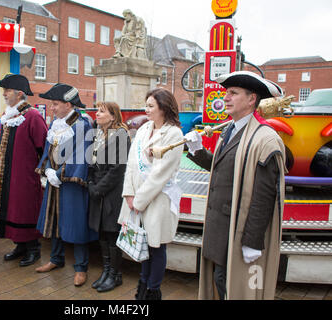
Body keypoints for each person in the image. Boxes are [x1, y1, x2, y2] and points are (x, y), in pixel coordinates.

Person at [184, 71, 287, 300]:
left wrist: (252, 241)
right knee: (221, 282)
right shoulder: (230, 130)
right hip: (221, 227)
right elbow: (224, 168)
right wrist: (197, 150)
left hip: (239, 231)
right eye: (226, 93)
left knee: (232, 287)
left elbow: (264, 196)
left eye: (233, 93)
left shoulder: (265, 139)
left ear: (252, 99)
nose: (226, 98)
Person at [118, 88, 184, 300]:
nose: (145, 110)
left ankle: (153, 291)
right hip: (136, 198)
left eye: (150, 106)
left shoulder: (174, 134)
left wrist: (139, 201)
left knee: (156, 246)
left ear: (163, 108)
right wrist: (129, 193)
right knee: (142, 243)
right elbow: (131, 162)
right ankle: (142, 287)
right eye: (145, 105)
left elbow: (160, 174)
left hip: (158, 199)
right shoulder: (145, 128)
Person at [35, 83, 97, 287]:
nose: (51, 108)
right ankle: (56, 259)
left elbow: (82, 156)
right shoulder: (56, 123)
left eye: (55, 104)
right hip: (54, 180)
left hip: (72, 183)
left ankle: (81, 267)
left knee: (76, 224)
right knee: (55, 221)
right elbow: (47, 149)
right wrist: (47, 170)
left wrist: (60, 174)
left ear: (68, 104)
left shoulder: (82, 125)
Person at [0, 74, 48, 267]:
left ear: (20, 94)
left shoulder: (32, 116)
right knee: (13, 210)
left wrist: (40, 173)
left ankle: (34, 248)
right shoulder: (9, 116)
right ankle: (20, 245)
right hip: (9, 176)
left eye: (7, 90)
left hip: (26, 177)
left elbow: (44, 148)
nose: (4, 94)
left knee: (26, 212)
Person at [88, 102, 131, 293]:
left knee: (112, 235)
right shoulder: (99, 134)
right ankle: (106, 272)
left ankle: (115, 275)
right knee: (102, 234)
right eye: (97, 110)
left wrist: (98, 189)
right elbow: (92, 163)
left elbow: (117, 170)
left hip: (111, 193)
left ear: (113, 116)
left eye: (101, 111)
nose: (96, 114)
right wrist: (90, 183)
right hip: (98, 190)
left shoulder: (121, 136)